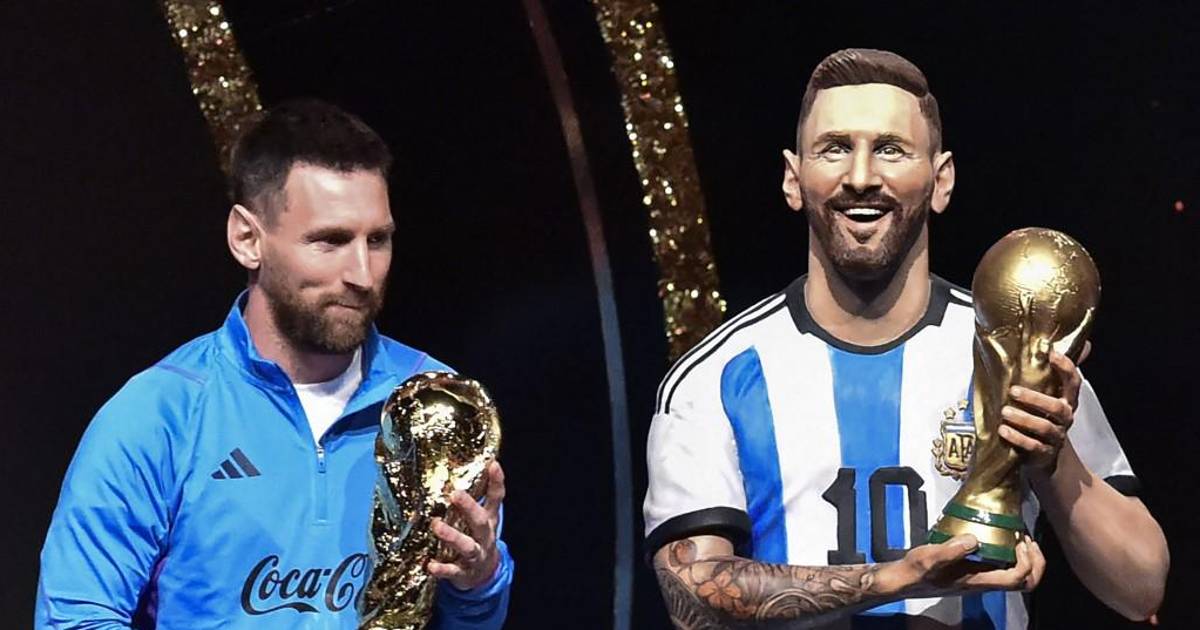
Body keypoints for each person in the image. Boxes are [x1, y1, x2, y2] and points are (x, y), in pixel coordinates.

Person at [643, 49, 1168, 629]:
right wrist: (897, 579)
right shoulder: (716, 376)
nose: (861, 176)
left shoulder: (1017, 350)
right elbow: (688, 599)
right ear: (793, 179)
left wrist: (1052, 459)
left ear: (942, 181)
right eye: (834, 148)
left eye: (891, 149)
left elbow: (1140, 588)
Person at [37, 99, 513, 628]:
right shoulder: (160, 415)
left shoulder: (435, 406)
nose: (362, 274)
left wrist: (479, 581)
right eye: (330, 241)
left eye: (377, 240)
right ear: (247, 239)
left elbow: (465, 619)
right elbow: (76, 617)